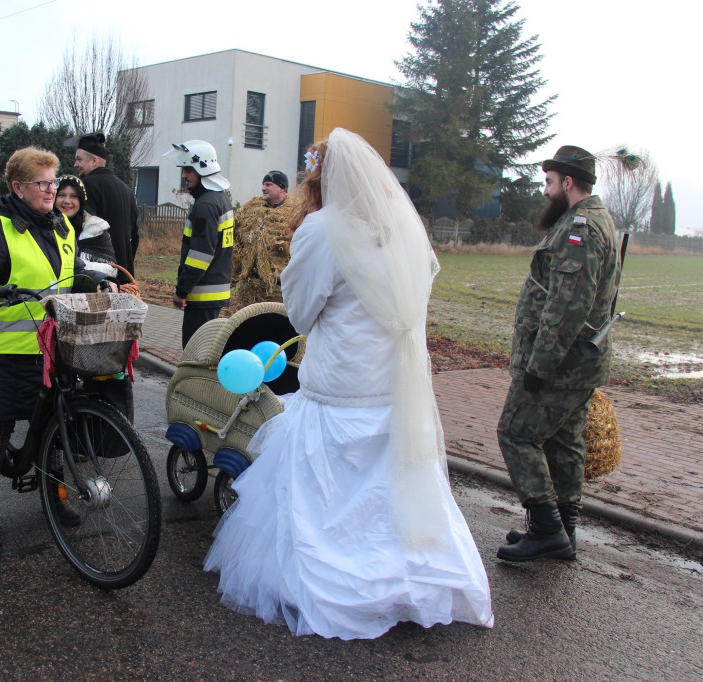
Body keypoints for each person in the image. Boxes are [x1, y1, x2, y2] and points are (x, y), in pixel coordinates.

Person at [203, 129, 493, 640]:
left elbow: (299, 313)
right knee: (391, 489)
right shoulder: (401, 228)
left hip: (339, 385)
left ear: (319, 177)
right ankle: (408, 580)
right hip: (393, 385)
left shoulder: (322, 230)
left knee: (329, 496)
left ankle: (330, 583)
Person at [0, 147, 117, 551]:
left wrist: (94, 283)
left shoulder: (61, 224)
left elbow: (65, 274)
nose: (51, 190)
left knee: (54, 424)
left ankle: (56, 495)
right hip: (3, 350)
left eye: (53, 181)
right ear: (18, 187)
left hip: (51, 346)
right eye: (41, 183)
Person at [496, 145, 621, 562]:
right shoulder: (595, 220)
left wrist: (539, 366)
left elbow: (567, 306)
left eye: (549, 183)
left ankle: (548, 529)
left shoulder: (580, 229)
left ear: (568, 183)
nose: (545, 191)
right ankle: (564, 533)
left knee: (515, 433)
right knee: (565, 444)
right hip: (580, 365)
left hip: (559, 365)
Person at [54, 174, 134, 421]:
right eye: (62, 195)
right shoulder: (45, 226)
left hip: (86, 310)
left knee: (84, 373)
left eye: (73, 197)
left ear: (82, 201)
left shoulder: (96, 229)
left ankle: (81, 429)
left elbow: (109, 267)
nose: (67, 201)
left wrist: (81, 270)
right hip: (53, 307)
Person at [163, 140, 234, 347]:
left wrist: (182, 290)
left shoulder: (206, 205)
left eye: (188, 170)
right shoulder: (220, 198)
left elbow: (201, 254)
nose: (184, 175)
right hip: (213, 291)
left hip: (203, 293)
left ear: (202, 168)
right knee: (204, 351)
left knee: (194, 353)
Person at [64, 132, 140, 282]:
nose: (75, 164)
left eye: (79, 159)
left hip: (98, 277)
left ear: (94, 160)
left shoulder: (84, 187)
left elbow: (79, 232)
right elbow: (135, 236)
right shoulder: (126, 190)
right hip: (124, 275)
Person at [232, 170, 294, 307]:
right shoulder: (250, 209)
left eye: (268, 184)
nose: (263, 188)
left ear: (281, 187)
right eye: (263, 184)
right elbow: (237, 245)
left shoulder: (296, 213)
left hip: (281, 292)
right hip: (251, 290)